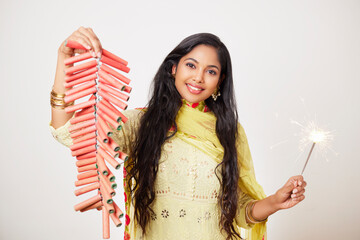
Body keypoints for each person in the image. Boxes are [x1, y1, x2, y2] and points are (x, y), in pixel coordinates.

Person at [49, 27, 307, 240]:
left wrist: (274, 201)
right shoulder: (143, 123)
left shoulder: (230, 133)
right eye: (191, 65)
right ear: (174, 69)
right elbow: (68, 133)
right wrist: (65, 60)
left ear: (220, 81)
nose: (198, 77)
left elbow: (239, 211)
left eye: (211, 71)